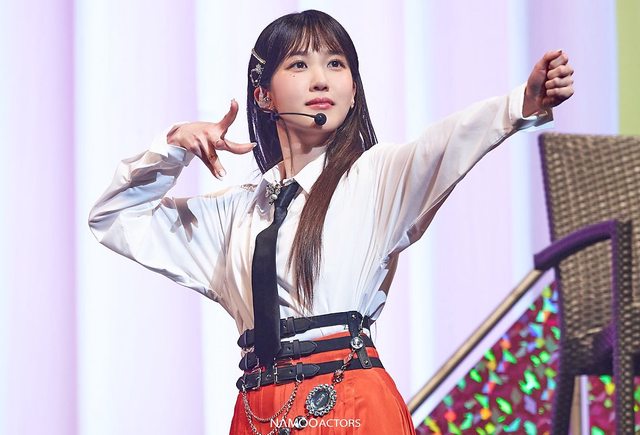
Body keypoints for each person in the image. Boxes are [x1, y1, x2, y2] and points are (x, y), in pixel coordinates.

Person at [88, 9, 574, 435]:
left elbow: (447, 143)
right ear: (263, 95)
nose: (321, 80)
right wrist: (172, 146)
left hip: (351, 403)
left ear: (353, 90)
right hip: (257, 410)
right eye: (299, 64)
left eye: (336, 64)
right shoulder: (233, 214)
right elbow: (116, 217)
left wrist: (522, 103)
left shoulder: (376, 178)